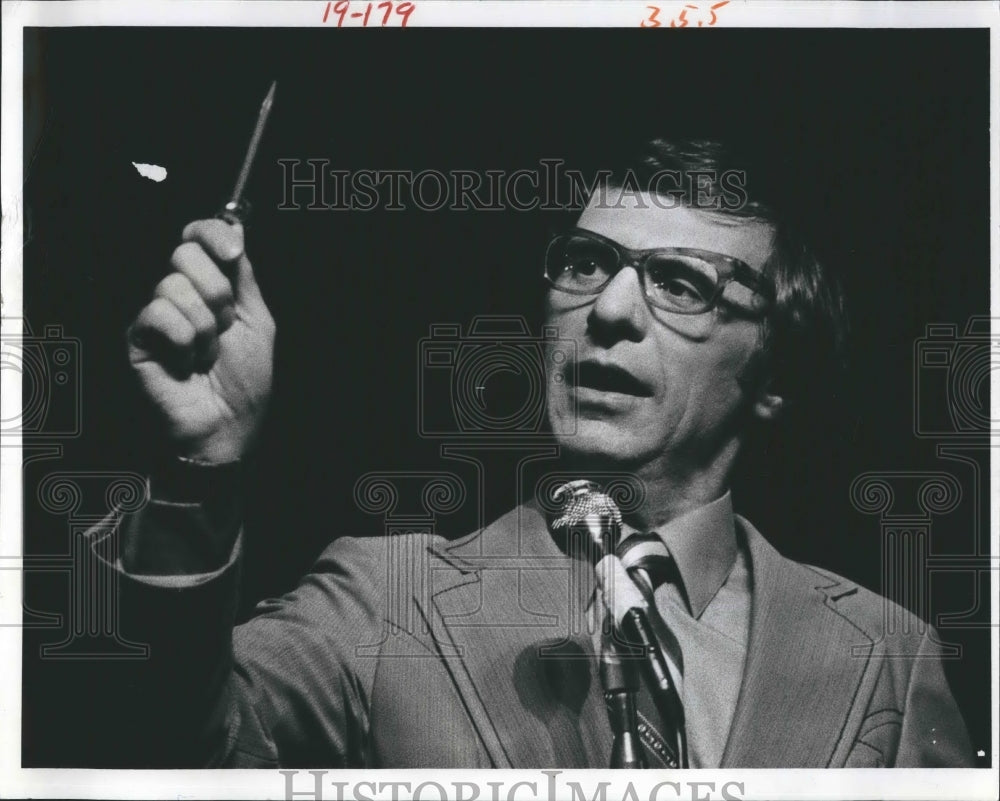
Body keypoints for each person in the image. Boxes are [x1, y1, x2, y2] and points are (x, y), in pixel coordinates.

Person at [93, 139, 973, 768]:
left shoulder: (888, 654)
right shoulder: (384, 600)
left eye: (679, 282)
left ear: (773, 373)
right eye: (586, 263)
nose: (611, 310)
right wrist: (197, 470)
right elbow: (158, 751)